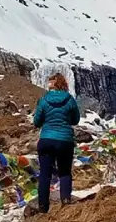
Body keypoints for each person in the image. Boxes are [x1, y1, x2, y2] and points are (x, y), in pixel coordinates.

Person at [32, 73, 80, 213]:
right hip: (65, 140)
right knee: (65, 172)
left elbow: (37, 122)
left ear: (52, 85)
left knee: (45, 175)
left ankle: (43, 207)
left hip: (47, 139)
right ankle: (65, 202)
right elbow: (75, 120)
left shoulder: (44, 100)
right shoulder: (70, 100)